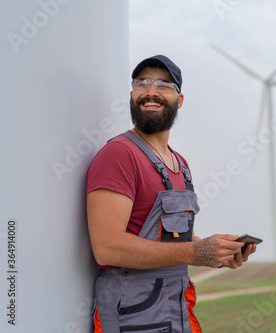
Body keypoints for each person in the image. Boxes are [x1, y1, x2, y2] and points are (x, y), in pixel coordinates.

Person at [87, 54, 257, 333]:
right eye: (143, 83)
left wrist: (218, 253)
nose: (151, 91)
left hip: (174, 312)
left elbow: (174, 241)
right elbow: (107, 248)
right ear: (132, 95)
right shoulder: (119, 154)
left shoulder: (181, 165)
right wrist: (196, 252)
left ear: (179, 100)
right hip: (130, 320)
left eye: (164, 84)